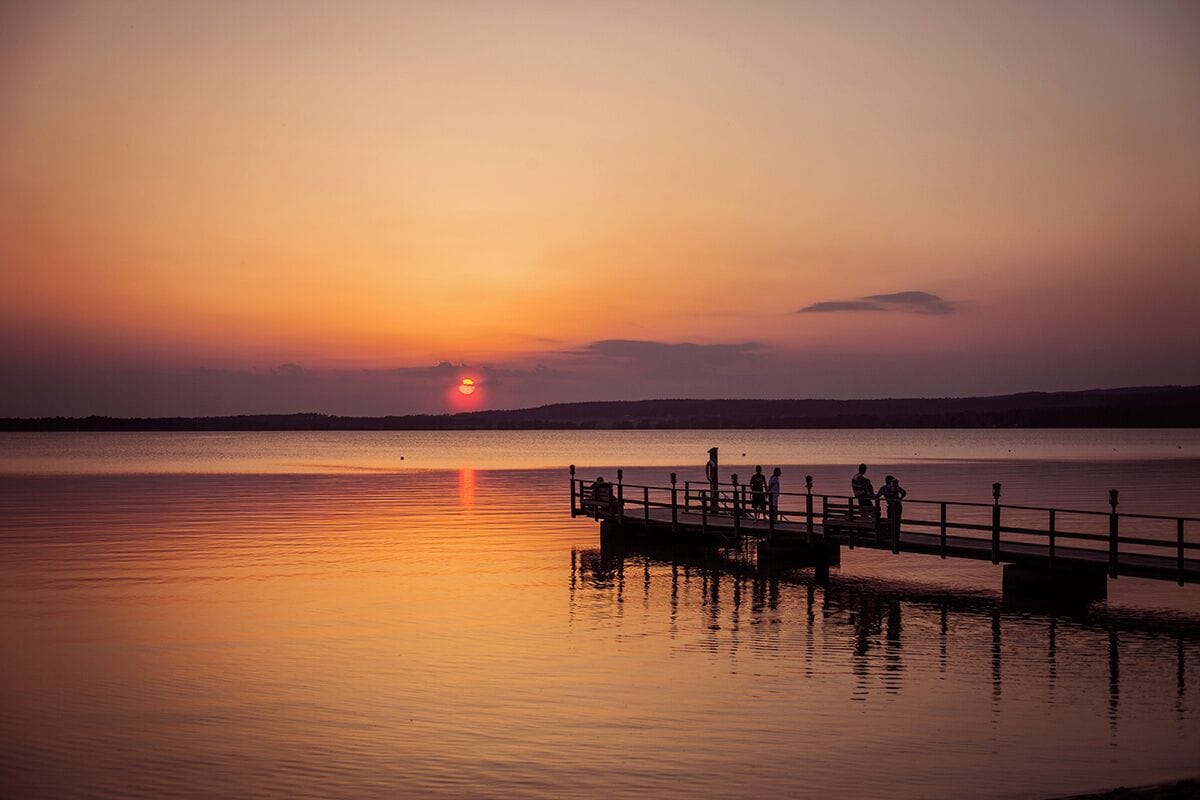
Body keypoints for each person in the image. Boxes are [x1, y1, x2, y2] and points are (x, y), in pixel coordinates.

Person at [876, 475, 907, 539]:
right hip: (897, 505)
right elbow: (904, 493)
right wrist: (900, 498)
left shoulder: (884, 488)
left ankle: (891, 534)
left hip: (890, 506)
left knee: (890, 520)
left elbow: (877, 496)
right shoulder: (895, 487)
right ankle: (896, 535)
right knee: (897, 520)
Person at [705, 447, 719, 514]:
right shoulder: (711, 463)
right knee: (713, 492)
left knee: (714, 492)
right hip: (712, 479)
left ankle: (714, 508)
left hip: (712, 479)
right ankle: (714, 508)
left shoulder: (713, 464)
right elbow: (709, 467)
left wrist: (710, 476)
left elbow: (713, 467)